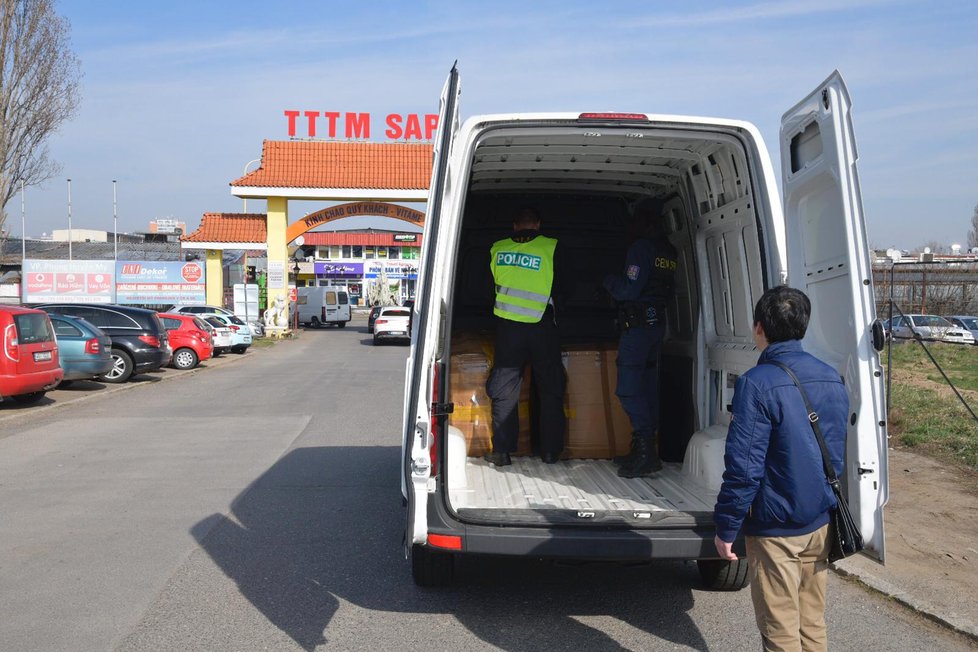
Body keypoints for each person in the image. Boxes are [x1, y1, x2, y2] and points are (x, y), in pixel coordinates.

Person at [713, 286, 849, 652]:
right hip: (820, 521)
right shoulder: (831, 376)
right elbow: (835, 452)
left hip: (776, 529)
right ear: (803, 327)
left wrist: (727, 526)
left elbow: (744, 468)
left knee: (780, 630)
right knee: (812, 624)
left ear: (759, 328)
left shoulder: (756, 384)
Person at [484, 207, 567, 466]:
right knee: (550, 388)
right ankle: (551, 451)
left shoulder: (497, 249)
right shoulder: (552, 247)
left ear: (514, 225)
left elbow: (486, 286)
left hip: (509, 328)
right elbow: (567, 286)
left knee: (505, 388)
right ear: (538, 224)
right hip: (542, 325)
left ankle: (503, 451)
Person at [603, 198, 677, 478]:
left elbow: (628, 290)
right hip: (657, 324)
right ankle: (643, 449)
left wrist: (608, 281)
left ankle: (646, 452)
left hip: (638, 328)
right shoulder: (667, 251)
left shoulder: (641, 248)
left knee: (629, 388)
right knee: (646, 386)